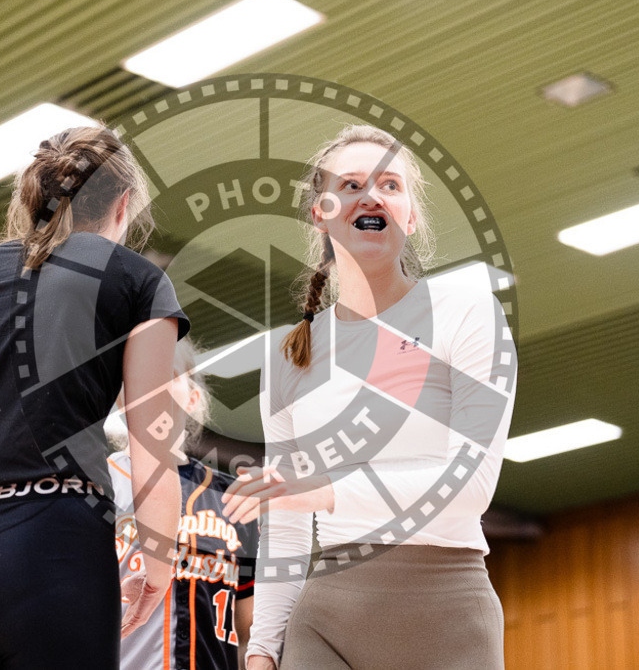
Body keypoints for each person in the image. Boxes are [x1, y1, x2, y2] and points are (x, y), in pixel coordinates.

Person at [0, 124, 190, 668]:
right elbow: (151, 454)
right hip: (51, 545)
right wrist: (157, 566)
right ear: (123, 206)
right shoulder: (137, 279)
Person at [221, 124, 518, 669]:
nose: (371, 196)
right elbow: (285, 525)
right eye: (352, 184)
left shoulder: (469, 313)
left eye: (390, 184)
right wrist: (262, 650)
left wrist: (324, 489)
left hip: (448, 617)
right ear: (321, 212)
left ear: (411, 215)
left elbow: (469, 485)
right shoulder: (290, 355)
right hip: (326, 623)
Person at [108, 337, 259, 670]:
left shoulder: (233, 498)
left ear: (192, 398)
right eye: (141, 376)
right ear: (121, 397)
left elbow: (252, 625)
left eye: (167, 375)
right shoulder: (96, 486)